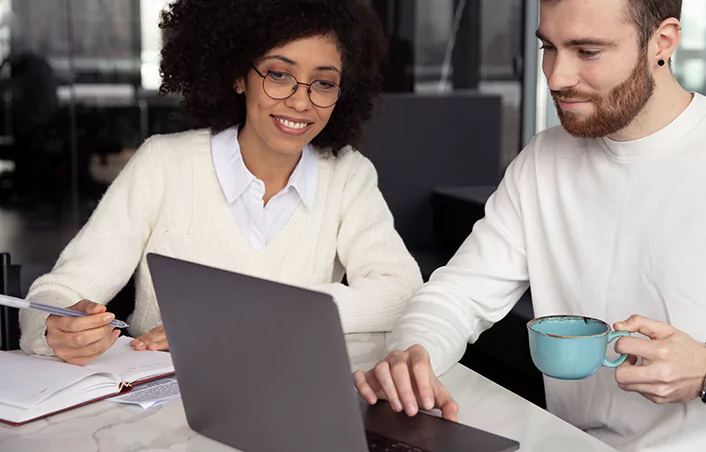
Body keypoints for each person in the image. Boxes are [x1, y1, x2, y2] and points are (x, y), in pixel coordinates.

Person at [353, 0, 706, 452]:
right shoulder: (544, 161)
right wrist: (413, 351)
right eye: (549, 47)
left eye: (587, 52)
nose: (557, 76)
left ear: (662, 40)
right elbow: (459, 293)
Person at [19, 0, 422, 365]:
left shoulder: (347, 175)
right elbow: (54, 295)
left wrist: (249, 316)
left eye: (323, 82)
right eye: (279, 75)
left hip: (285, 399)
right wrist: (55, 329)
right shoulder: (164, 163)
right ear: (238, 77)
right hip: (155, 405)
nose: (301, 101)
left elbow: (401, 292)